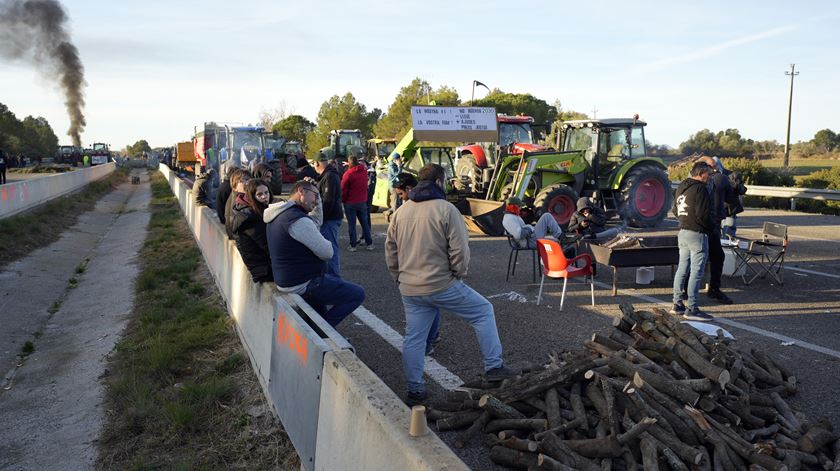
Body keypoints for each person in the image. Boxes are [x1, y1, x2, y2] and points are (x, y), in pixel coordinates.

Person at [385, 163, 517, 406]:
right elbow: (460, 250)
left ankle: (415, 389)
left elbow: (391, 251)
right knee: (483, 312)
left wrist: (399, 277)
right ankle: (493, 366)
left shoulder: (401, 212)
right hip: (441, 283)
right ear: (438, 182)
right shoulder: (446, 209)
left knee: (414, 338)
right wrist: (458, 273)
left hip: (410, 288)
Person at [265, 180, 365, 327]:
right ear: (301, 191)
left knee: (320, 309)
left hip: (287, 279)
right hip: (303, 282)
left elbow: (316, 222)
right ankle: (322, 331)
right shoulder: (297, 220)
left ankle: (321, 334)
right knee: (357, 294)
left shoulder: (280, 214)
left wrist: (317, 206)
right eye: (315, 195)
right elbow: (327, 253)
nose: (318, 200)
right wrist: (326, 241)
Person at [392, 171, 441, 355]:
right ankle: (431, 337)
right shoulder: (419, 207)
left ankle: (426, 343)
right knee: (431, 305)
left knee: (426, 306)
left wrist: (395, 272)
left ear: (410, 188)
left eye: (400, 194)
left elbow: (392, 246)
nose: (400, 197)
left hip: (420, 266)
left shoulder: (409, 210)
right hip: (423, 265)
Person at [671, 161, 714, 321]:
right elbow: (703, 214)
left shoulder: (682, 186)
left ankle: (677, 304)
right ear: (701, 173)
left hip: (682, 232)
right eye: (708, 174)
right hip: (697, 234)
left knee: (682, 268)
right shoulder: (700, 189)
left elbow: (675, 209)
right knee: (696, 272)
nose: (709, 177)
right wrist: (711, 228)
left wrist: (685, 220)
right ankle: (693, 308)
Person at [698, 156, 734, 305]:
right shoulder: (720, 179)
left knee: (711, 257)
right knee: (710, 258)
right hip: (706, 226)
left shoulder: (691, 182)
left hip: (705, 225)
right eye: (711, 168)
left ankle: (709, 290)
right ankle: (712, 290)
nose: (714, 170)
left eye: (714, 167)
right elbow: (732, 200)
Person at [229, 179, 273, 283]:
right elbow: (268, 245)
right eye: (260, 194)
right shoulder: (250, 217)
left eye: (266, 193)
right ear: (252, 197)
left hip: (262, 266)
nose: (264, 197)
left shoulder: (245, 208)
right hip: (263, 270)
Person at [310, 153, 343, 276]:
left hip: (330, 219)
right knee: (329, 248)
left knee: (330, 249)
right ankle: (331, 276)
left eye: (314, 165)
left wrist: (320, 218)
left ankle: (334, 277)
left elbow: (328, 200)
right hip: (331, 217)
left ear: (317, 163)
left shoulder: (329, 176)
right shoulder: (328, 175)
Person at [341, 154, 373, 251]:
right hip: (362, 201)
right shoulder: (363, 171)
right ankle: (369, 244)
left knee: (352, 224)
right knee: (365, 223)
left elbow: (343, 189)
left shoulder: (348, 174)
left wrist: (343, 200)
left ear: (349, 163)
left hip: (350, 202)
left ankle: (353, 245)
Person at [225, 169, 250, 239]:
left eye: (248, 180)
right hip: (238, 237)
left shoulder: (234, 195)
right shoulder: (240, 199)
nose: (246, 183)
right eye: (241, 181)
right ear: (234, 186)